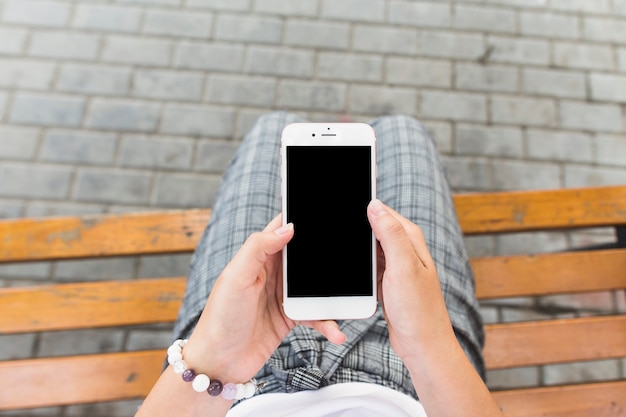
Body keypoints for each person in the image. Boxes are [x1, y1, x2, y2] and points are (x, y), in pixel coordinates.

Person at [136, 112, 504, 417]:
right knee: (404, 130)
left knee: (273, 127)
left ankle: (336, 152)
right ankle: (350, 151)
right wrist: (429, 345)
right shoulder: (423, 347)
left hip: (232, 383)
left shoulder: (223, 356)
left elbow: (211, 364)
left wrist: (215, 359)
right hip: (414, 381)